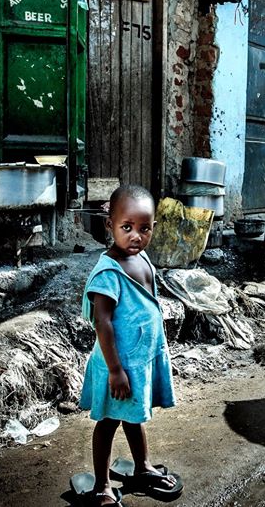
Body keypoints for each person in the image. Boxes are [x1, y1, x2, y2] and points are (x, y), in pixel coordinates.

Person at [78, 185, 182, 506]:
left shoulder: (142, 258)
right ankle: (102, 485)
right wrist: (115, 371)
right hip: (117, 366)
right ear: (109, 225)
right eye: (127, 227)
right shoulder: (108, 273)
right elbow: (103, 323)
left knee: (134, 417)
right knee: (108, 422)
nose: (136, 236)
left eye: (144, 228)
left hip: (138, 361)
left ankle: (142, 466)